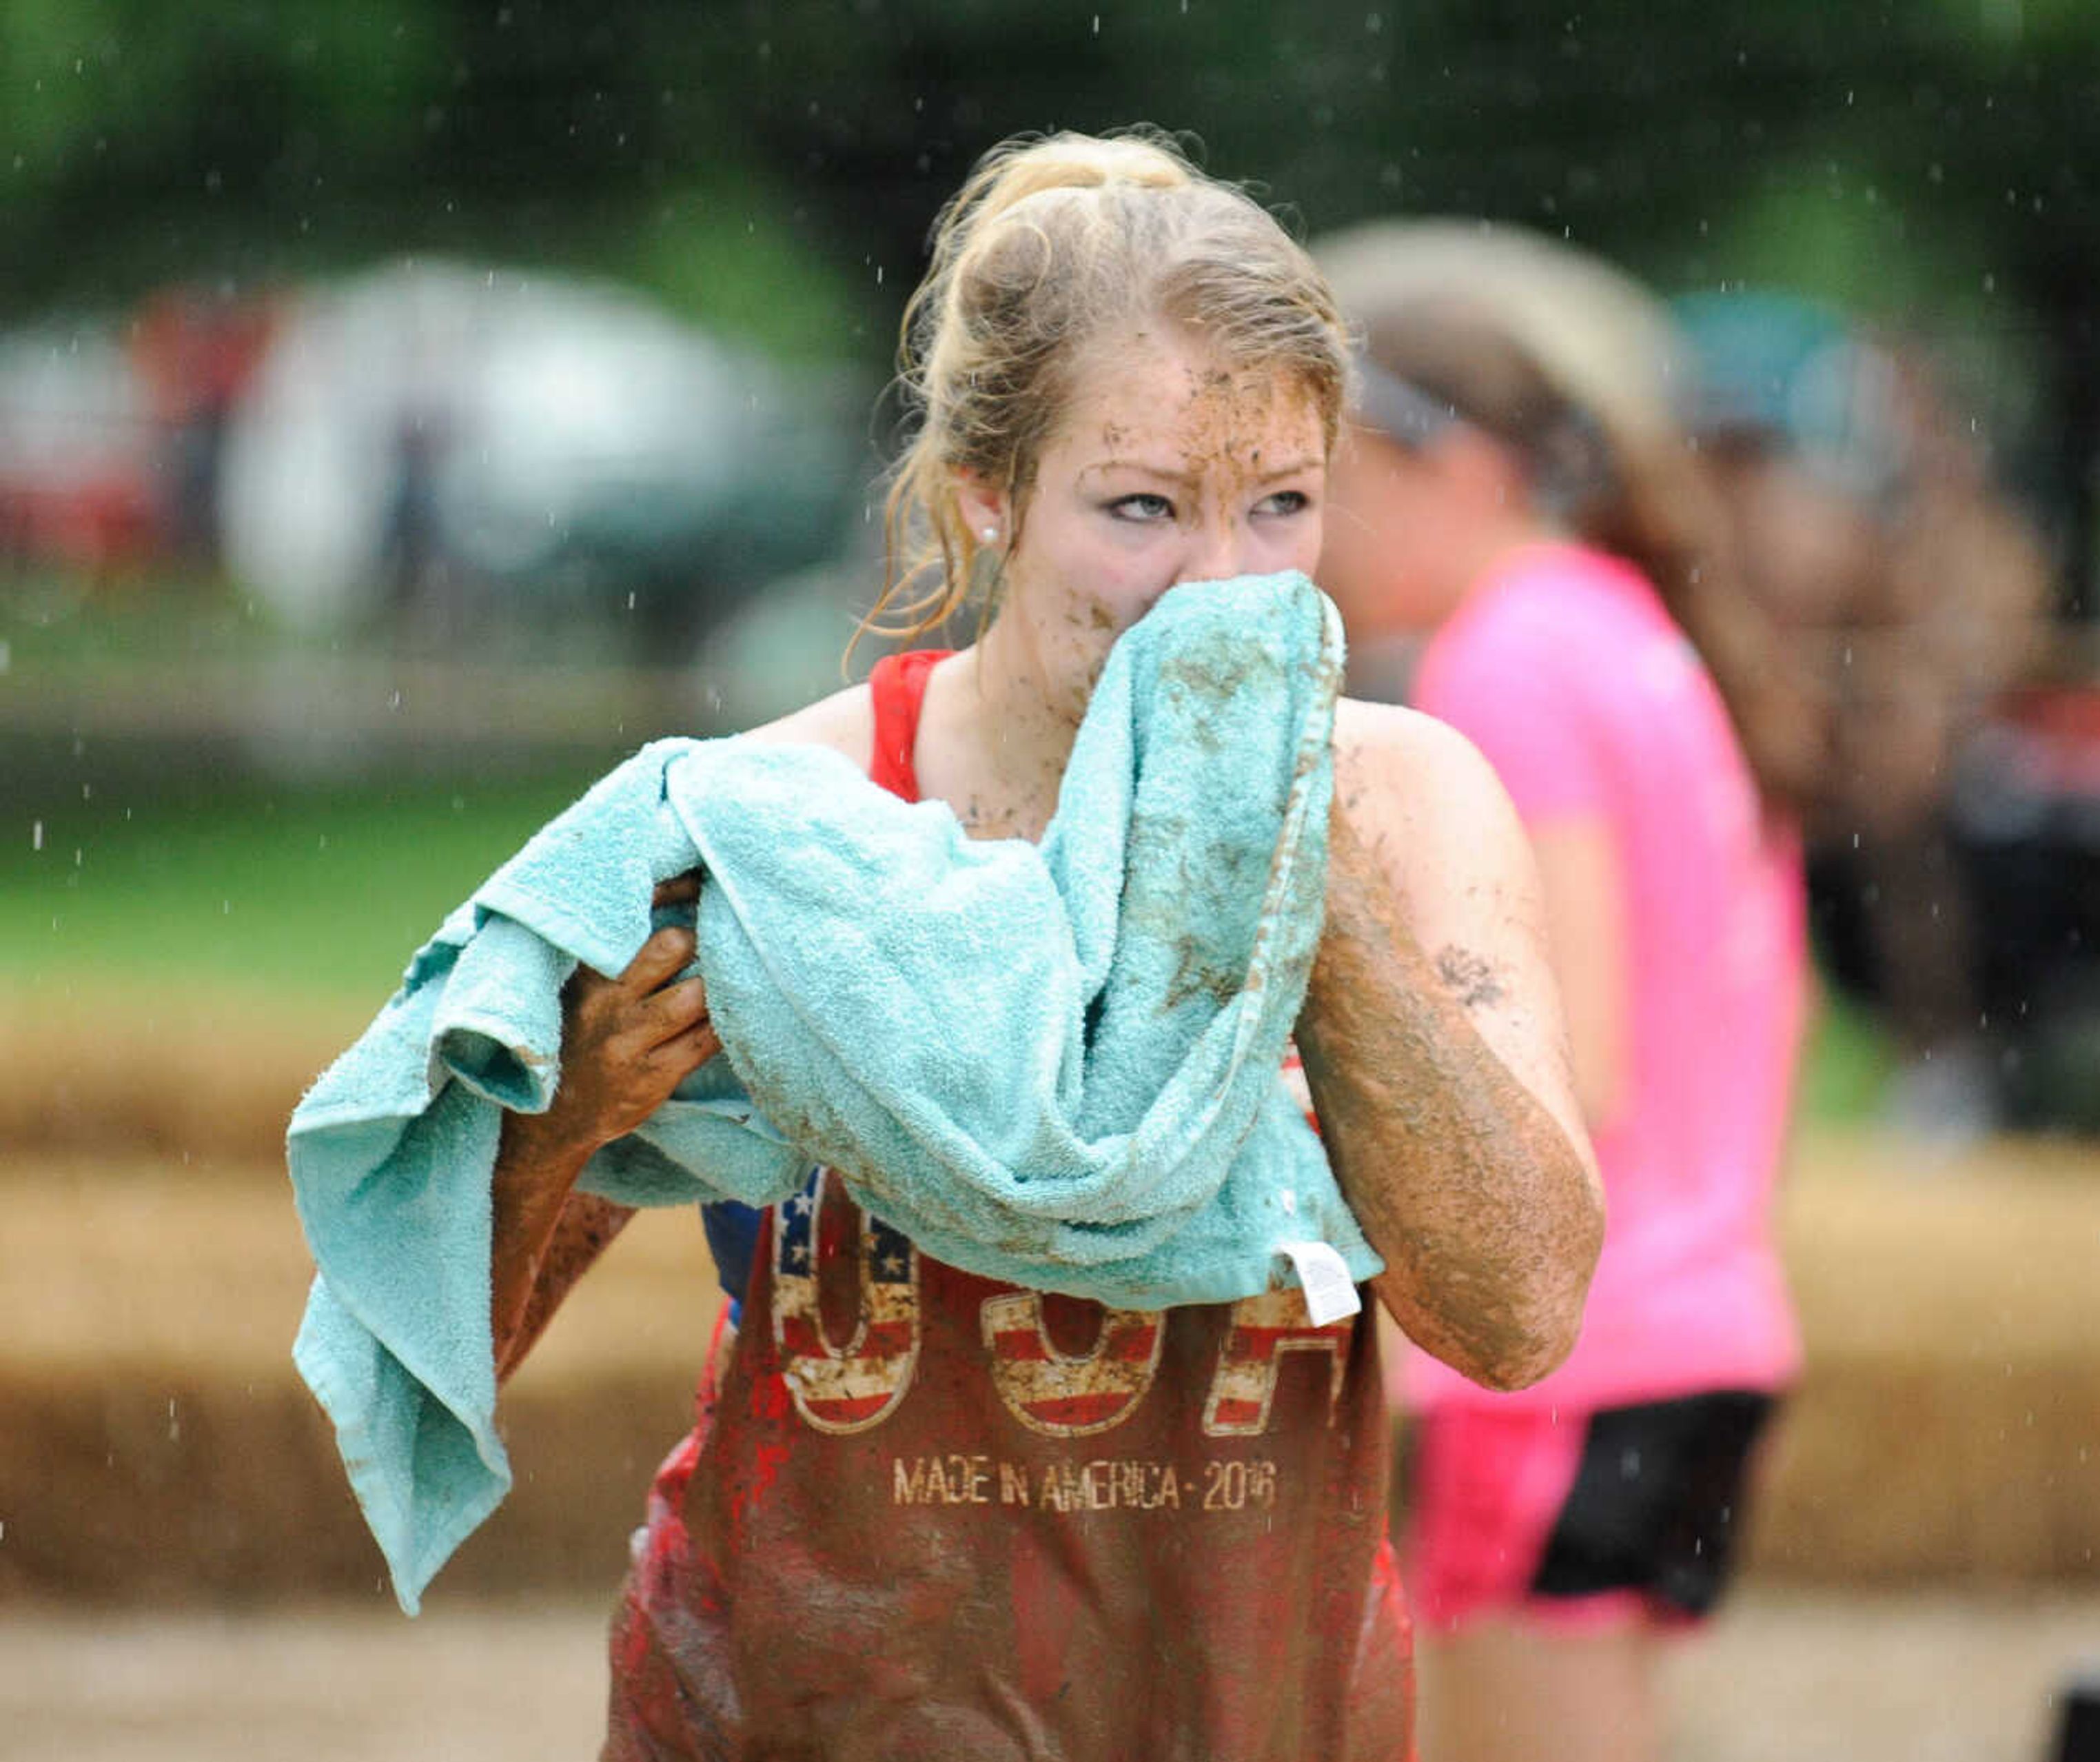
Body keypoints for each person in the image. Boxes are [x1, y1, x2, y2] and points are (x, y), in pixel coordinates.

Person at [482, 130, 1603, 1760]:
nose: (1217, 588)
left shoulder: (1401, 802)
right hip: (800, 1714)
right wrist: (561, 1124)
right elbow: (440, 1347)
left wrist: (1327, 912)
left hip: (1242, 1711)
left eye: (1280, 507)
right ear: (987, 494)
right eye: (1141, 508)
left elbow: (1519, 1314)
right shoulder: (790, 817)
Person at [1314, 263, 1811, 1762]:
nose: (1314, 532)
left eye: (1334, 485)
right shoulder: (1626, 632)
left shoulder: (1511, 661)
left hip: (1576, 1350)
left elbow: (1564, 1056)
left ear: (1451, 466)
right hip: (1705, 1320)